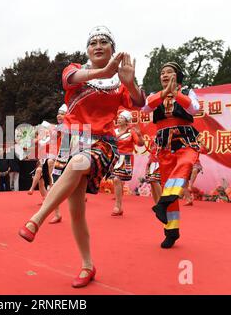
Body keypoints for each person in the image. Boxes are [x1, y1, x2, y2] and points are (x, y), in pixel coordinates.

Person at [18, 26, 145, 288]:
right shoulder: (74, 70)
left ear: (113, 48)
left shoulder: (118, 84)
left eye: (104, 42)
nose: (98, 46)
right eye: (93, 43)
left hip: (102, 143)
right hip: (71, 143)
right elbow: (72, 78)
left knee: (78, 163)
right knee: (76, 212)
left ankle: (36, 220)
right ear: (87, 49)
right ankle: (88, 265)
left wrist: (130, 80)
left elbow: (138, 102)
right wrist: (104, 71)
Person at [142, 61, 200, 248]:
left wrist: (176, 94)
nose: (164, 75)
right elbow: (145, 109)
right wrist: (164, 93)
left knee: (185, 164)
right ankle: (171, 231)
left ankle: (163, 202)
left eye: (169, 72)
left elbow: (194, 109)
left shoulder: (188, 92)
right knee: (167, 183)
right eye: (162, 73)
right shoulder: (154, 96)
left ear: (178, 76)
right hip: (164, 143)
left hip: (185, 140)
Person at [109, 110, 144, 215]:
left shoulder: (131, 132)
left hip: (126, 158)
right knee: (116, 180)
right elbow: (110, 143)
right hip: (115, 158)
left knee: (117, 179)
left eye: (121, 118)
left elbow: (140, 144)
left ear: (126, 121)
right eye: (118, 117)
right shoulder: (113, 131)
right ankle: (118, 206)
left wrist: (140, 135)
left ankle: (118, 206)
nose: (119, 119)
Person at [183, 139, 208, 206]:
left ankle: (190, 185)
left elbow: (205, 151)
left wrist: (202, 144)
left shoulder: (196, 144)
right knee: (183, 183)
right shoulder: (181, 144)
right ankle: (189, 199)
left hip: (195, 163)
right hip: (184, 165)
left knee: (195, 169)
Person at [144, 135, 162, 204]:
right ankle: (157, 203)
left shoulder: (167, 135)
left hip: (159, 161)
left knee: (155, 180)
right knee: (152, 181)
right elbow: (150, 149)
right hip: (152, 161)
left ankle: (162, 203)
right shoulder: (153, 137)